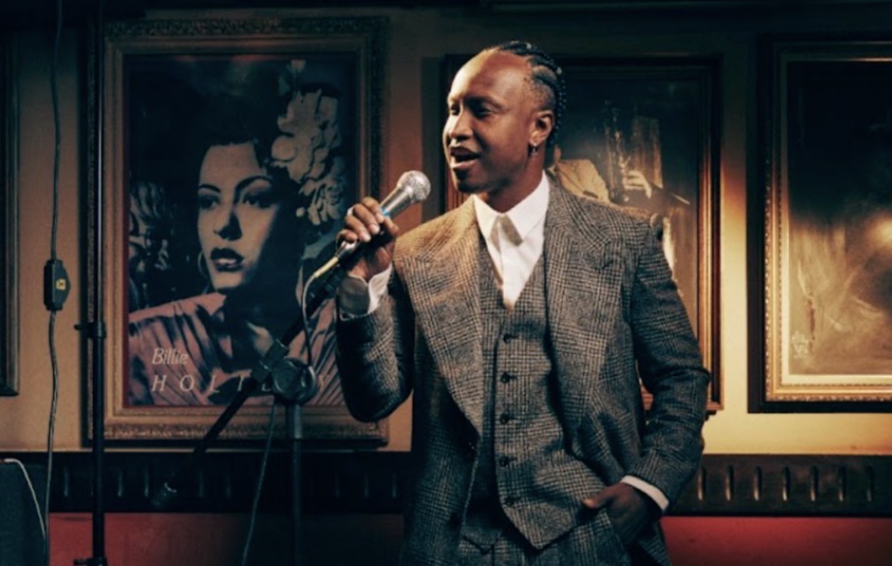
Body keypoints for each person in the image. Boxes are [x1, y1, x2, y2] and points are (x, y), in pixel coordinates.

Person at [334, 41, 709, 565]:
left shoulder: (622, 241)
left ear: (539, 128)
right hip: (452, 549)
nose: (456, 129)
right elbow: (372, 401)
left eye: (480, 110)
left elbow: (682, 379)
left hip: (589, 540)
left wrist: (648, 489)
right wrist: (363, 285)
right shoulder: (416, 253)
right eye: (452, 110)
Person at [127, 106, 340, 406]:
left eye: (255, 199)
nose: (223, 225)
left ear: (302, 215)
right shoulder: (145, 339)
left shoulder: (340, 336)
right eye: (208, 201)